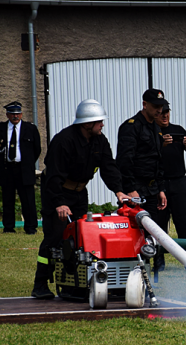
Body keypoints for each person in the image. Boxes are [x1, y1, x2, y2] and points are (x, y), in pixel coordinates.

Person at [31, 99, 127, 300]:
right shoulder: (63, 141)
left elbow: (109, 168)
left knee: (82, 239)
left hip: (79, 194)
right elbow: (53, 176)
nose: (102, 124)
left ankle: (76, 285)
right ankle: (40, 284)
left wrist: (119, 191)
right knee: (55, 239)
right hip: (57, 193)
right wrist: (58, 203)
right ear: (86, 124)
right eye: (99, 121)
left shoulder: (100, 140)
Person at [116, 88, 168, 271]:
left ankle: (158, 269)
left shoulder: (155, 127)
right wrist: (130, 189)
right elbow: (124, 161)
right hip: (136, 189)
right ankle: (136, 270)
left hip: (153, 190)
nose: (159, 111)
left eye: (161, 107)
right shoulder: (131, 127)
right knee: (136, 232)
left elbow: (158, 160)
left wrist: (161, 189)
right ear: (144, 105)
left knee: (157, 231)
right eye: (155, 107)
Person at [154, 103, 186, 270]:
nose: (165, 116)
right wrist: (161, 145)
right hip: (159, 183)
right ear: (155, 113)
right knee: (158, 225)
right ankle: (158, 262)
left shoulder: (178, 129)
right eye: (161, 113)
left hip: (179, 181)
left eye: (167, 112)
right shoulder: (150, 132)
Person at [0, 101, 41, 234]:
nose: (15, 117)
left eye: (18, 114)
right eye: (12, 114)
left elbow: (37, 149)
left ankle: (30, 228)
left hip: (24, 169)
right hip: (7, 169)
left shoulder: (30, 128)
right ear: (7, 115)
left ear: (22, 114)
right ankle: (8, 227)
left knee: (28, 201)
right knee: (8, 200)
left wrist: (27, 163)